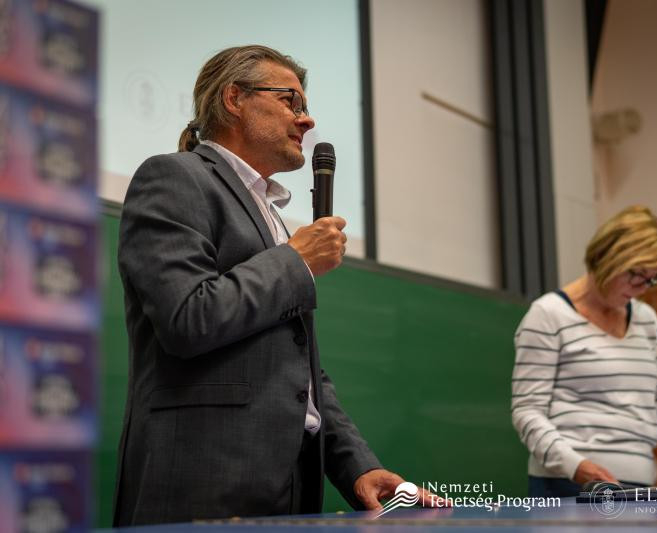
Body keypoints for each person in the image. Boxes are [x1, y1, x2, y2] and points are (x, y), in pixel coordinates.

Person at [113, 45, 435, 526]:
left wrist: (357, 466)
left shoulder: (270, 214)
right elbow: (186, 318)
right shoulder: (175, 177)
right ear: (234, 99)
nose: (307, 119)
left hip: (290, 483)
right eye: (291, 101)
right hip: (205, 484)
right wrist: (296, 259)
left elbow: (298, 371)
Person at [511, 206, 657, 497]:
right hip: (568, 485)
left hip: (636, 487)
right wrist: (576, 466)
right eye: (637, 275)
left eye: (652, 279)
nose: (642, 288)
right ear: (607, 257)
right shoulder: (548, 315)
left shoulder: (646, 319)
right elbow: (527, 411)